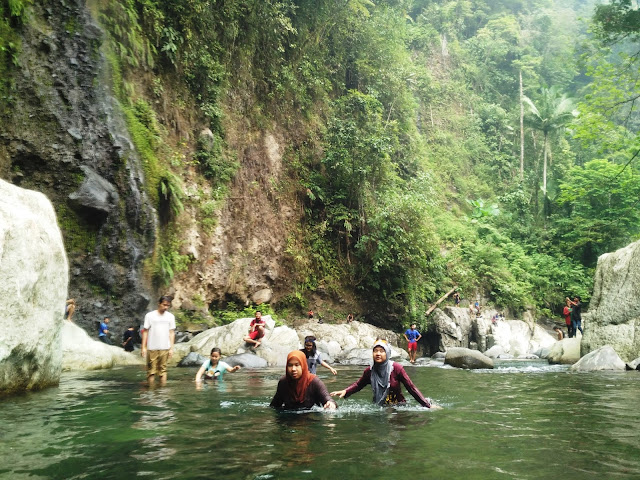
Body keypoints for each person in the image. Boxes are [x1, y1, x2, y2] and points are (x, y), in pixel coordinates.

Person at [330, 339, 434, 408]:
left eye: (381, 351)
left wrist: (427, 405)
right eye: (375, 351)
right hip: (378, 407)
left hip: (398, 408)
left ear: (387, 353)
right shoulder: (369, 371)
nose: (378, 353)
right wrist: (345, 391)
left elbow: (411, 388)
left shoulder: (397, 368)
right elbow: (358, 385)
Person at [270, 350, 337, 410]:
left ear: (303, 366)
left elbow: (327, 398)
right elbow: (274, 405)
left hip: (311, 419)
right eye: (290, 365)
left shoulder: (314, 382)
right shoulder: (284, 382)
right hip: (288, 421)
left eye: (297, 365)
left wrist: (331, 404)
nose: (293, 369)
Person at [141, 295, 176, 385]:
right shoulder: (150, 316)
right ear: (159, 304)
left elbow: (171, 332)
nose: (166, 307)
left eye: (168, 305)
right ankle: (151, 391)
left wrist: (171, 348)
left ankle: (162, 392)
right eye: (164, 305)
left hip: (165, 347)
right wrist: (143, 348)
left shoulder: (170, 317)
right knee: (151, 371)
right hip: (152, 347)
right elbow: (145, 331)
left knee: (163, 371)